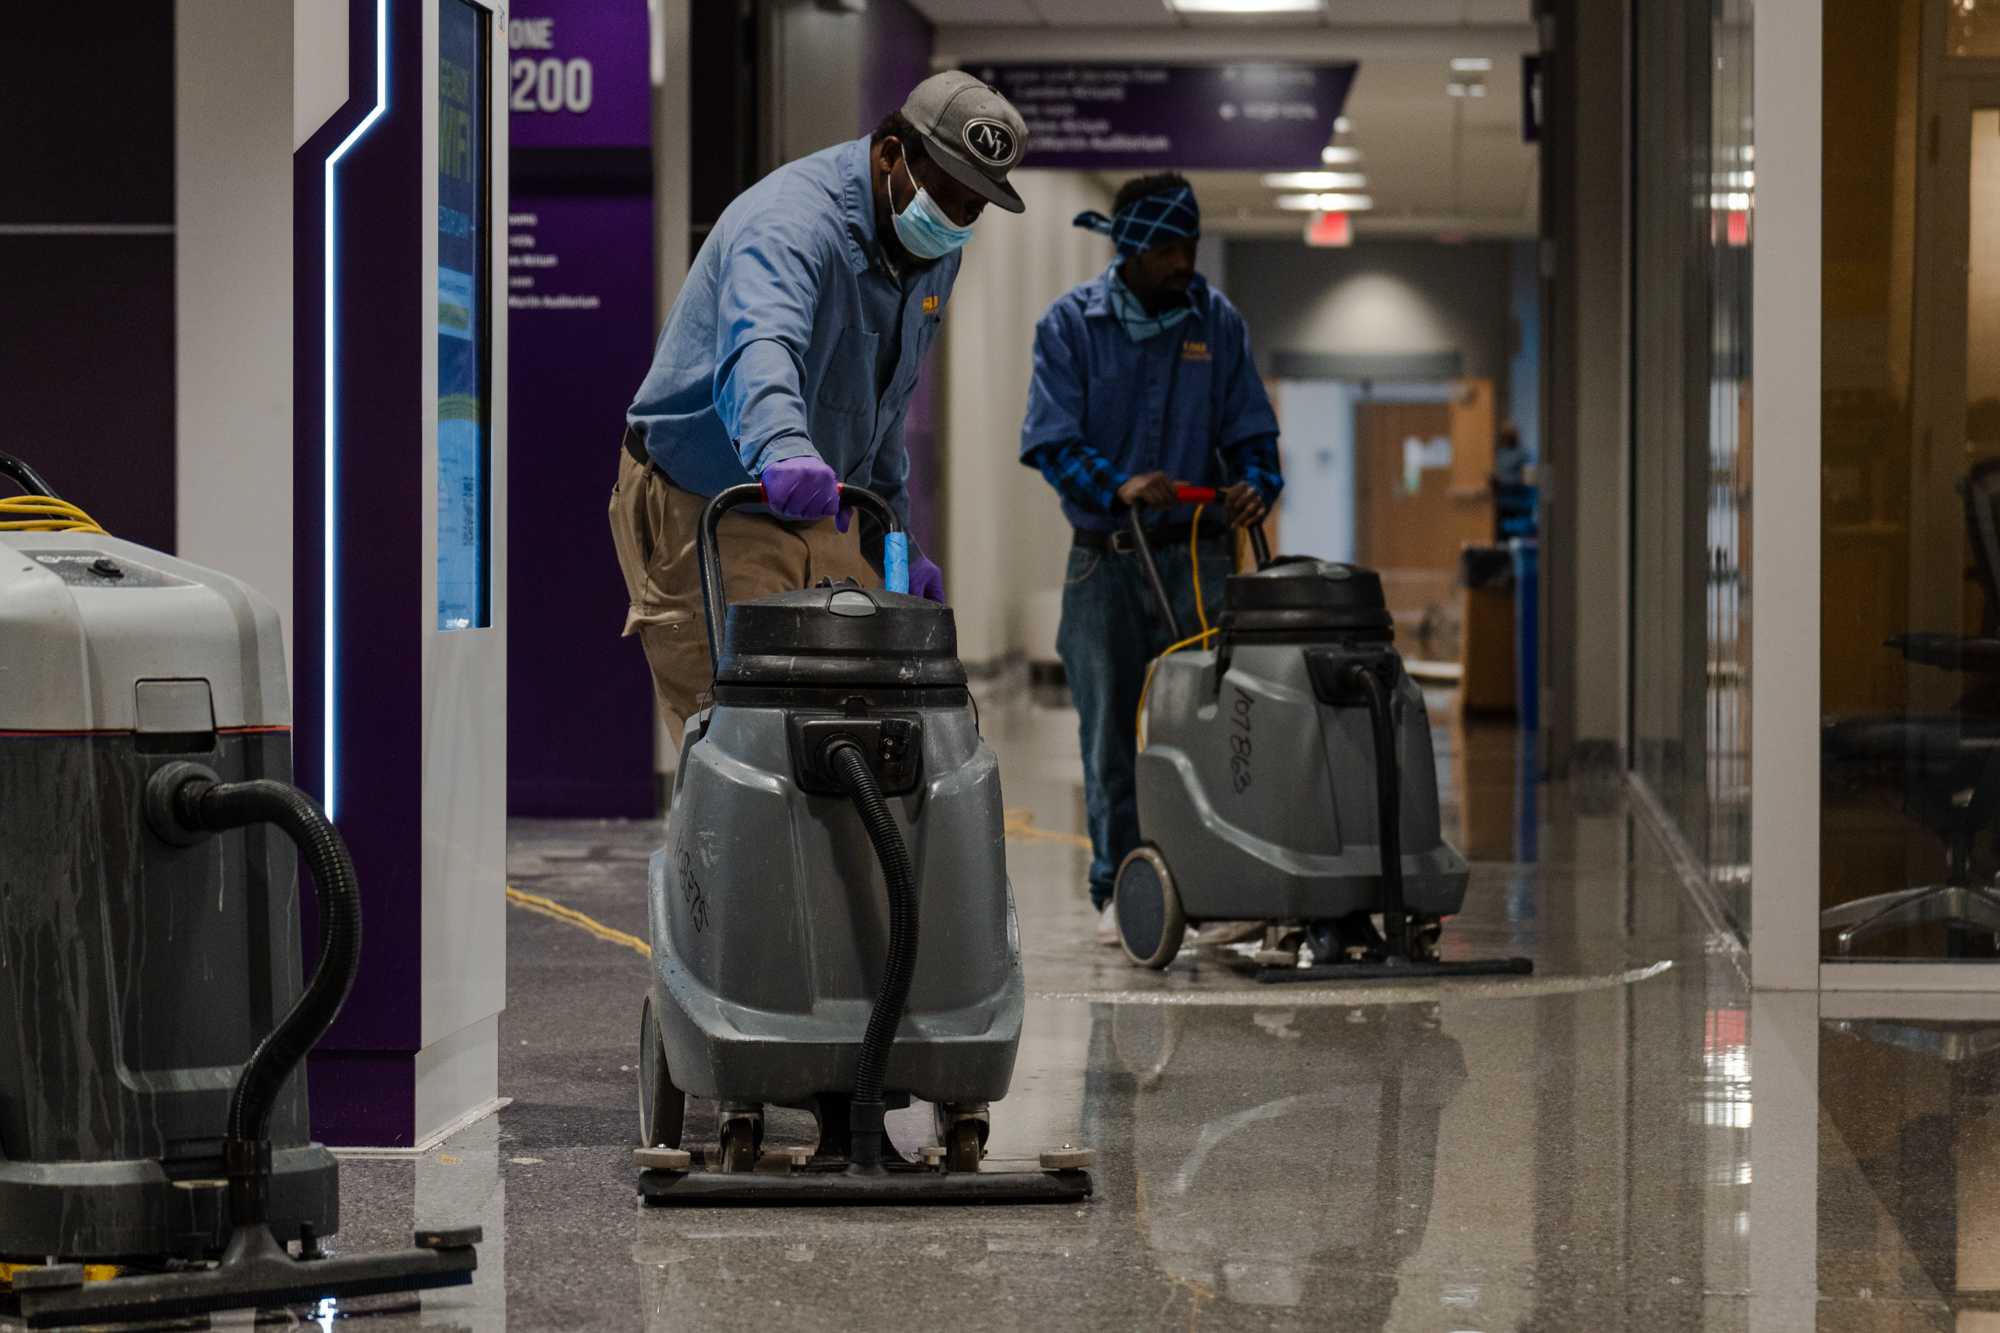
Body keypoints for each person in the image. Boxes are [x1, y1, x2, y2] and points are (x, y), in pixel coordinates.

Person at [611, 72, 1028, 743]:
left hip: (823, 499)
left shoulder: (930, 251)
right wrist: (781, 446)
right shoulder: (791, 223)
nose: (954, 220)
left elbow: (883, 401)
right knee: (746, 740)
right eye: (943, 196)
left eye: (973, 208)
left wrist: (892, 536)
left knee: (860, 727)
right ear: (891, 152)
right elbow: (760, 344)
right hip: (713, 495)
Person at [1019, 173, 1284, 945]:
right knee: (1110, 738)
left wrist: (1255, 485)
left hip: (1197, 564)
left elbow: (1252, 436)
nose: (1183, 262)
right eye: (1168, 247)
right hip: (1104, 564)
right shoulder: (1070, 326)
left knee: (1208, 726)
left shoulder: (1215, 321)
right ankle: (1120, 887)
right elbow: (1052, 443)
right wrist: (1119, 485)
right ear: (1131, 246)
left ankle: (1216, 880)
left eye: (1190, 246)